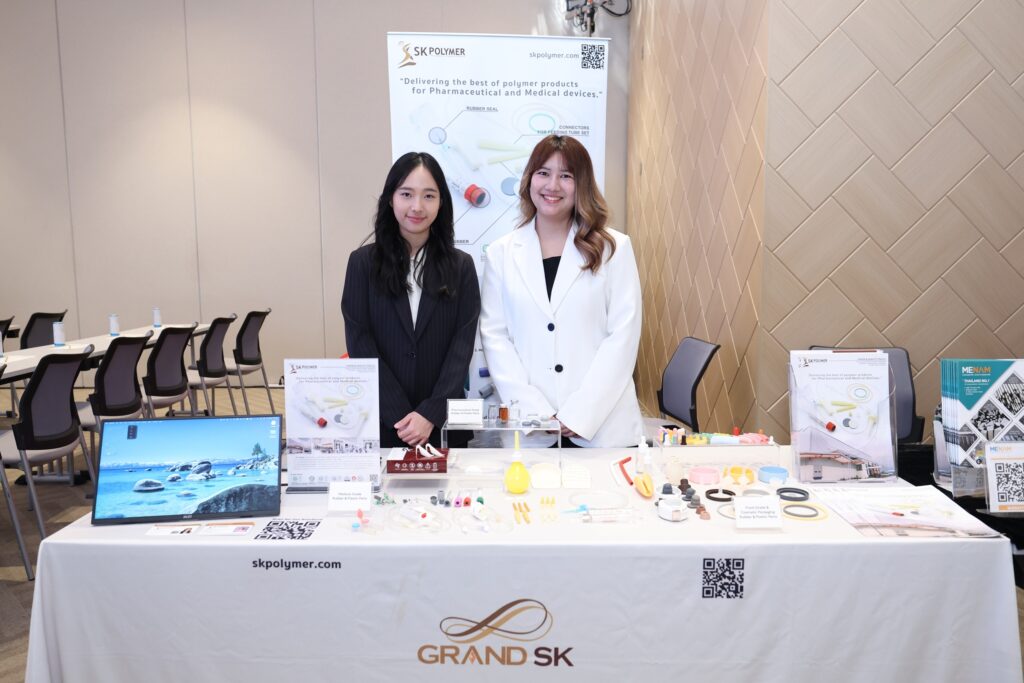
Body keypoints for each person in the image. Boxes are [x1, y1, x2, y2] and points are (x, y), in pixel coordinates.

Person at [479, 134, 642, 447]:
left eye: (566, 176)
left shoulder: (614, 248)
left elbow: (623, 336)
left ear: (582, 185)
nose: (552, 185)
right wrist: (534, 412)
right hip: (532, 433)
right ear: (529, 180)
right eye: (543, 173)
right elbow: (495, 337)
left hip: (602, 429)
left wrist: (581, 413)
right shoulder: (501, 253)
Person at [342, 152, 480, 448]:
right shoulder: (362, 263)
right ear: (391, 199)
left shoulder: (462, 266)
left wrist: (430, 413)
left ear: (441, 202)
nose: (417, 206)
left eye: (429, 196)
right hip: (384, 422)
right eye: (406, 194)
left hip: (443, 425)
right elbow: (360, 343)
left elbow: (462, 345)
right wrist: (402, 417)